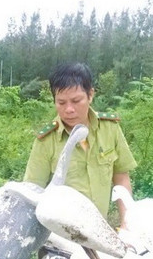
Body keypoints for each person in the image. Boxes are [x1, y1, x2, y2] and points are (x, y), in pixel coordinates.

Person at [24, 62, 137, 218]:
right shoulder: (46, 140)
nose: (69, 109)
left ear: (90, 95)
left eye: (76, 101)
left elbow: (121, 177)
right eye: (61, 102)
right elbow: (32, 192)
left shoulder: (109, 129)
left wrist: (127, 221)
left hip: (100, 227)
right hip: (60, 231)